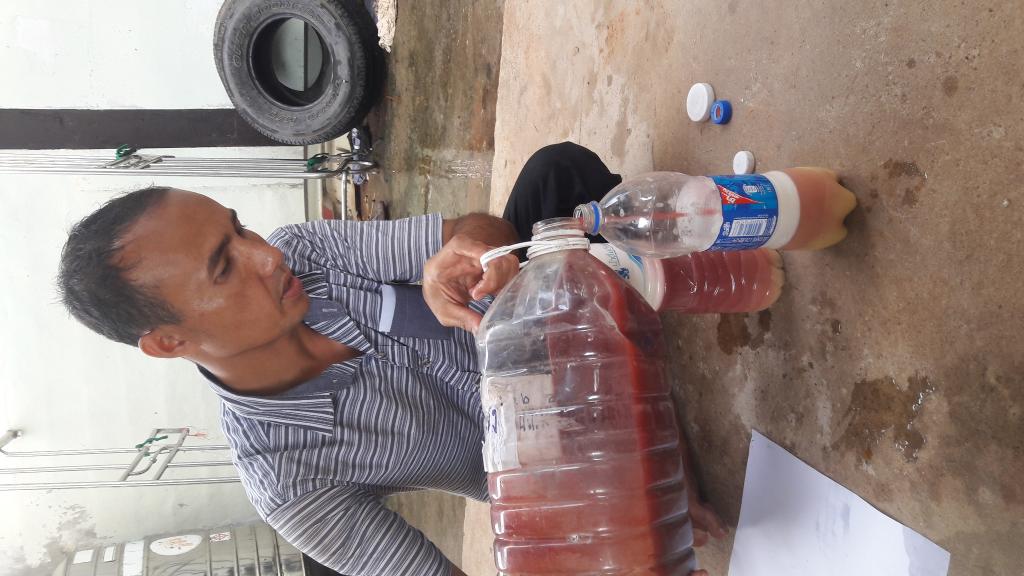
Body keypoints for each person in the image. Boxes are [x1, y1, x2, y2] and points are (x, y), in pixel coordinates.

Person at [58, 142, 725, 576]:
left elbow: (479, 231)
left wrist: (468, 257)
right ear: (169, 342)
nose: (267, 255)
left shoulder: (308, 254)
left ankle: (644, 333)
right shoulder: (287, 481)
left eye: (240, 228)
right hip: (550, 458)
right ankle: (644, 427)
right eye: (225, 267)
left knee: (558, 173)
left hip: (543, 325)